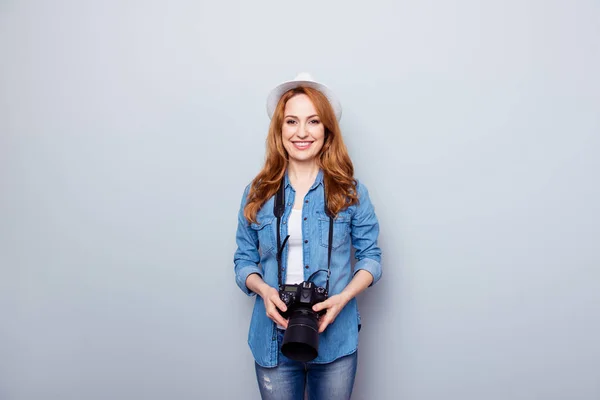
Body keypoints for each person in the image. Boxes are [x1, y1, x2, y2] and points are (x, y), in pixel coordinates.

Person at [233, 72, 382, 400]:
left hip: (336, 335)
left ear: (327, 131)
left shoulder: (351, 193)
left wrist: (342, 299)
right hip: (271, 336)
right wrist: (263, 290)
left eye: (313, 121)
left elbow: (372, 258)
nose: (302, 132)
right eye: (291, 122)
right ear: (280, 130)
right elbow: (243, 260)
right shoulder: (257, 193)